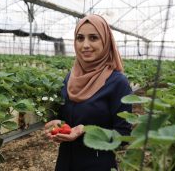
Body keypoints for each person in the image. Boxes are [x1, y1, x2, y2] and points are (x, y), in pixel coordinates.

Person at [44, 14, 132, 171]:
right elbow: (66, 118)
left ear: (105, 41)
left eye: (93, 38)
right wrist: (58, 124)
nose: (85, 45)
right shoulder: (69, 78)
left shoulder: (118, 83)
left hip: (98, 164)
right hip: (65, 163)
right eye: (80, 38)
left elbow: (123, 134)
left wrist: (85, 130)